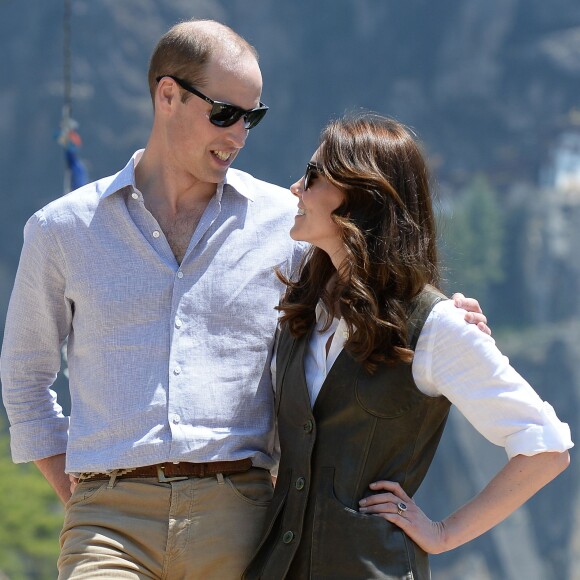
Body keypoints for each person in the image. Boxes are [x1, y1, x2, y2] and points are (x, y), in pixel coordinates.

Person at [1, 20, 488, 580]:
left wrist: (437, 318)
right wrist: (84, 497)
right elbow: (24, 380)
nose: (238, 135)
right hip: (107, 525)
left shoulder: (287, 223)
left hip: (243, 518)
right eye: (224, 113)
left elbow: (367, 293)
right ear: (167, 95)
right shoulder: (61, 229)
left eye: (251, 117)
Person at [242, 113, 573, 580]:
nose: (296, 186)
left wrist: (442, 534)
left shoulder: (436, 326)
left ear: (360, 196)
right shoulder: (305, 307)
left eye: (314, 175)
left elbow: (547, 448)